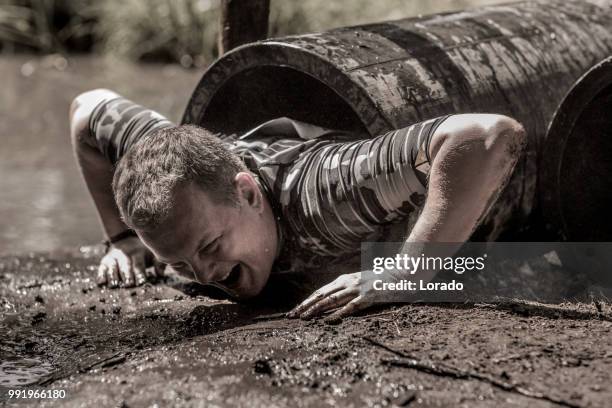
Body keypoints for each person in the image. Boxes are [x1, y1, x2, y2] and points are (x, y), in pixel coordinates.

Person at [70, 88, 526, 320]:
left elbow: (488, 135)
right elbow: (87, 108)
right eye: (182, 265)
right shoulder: (161, 157)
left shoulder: (325, 196)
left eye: (209, 246)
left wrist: (406, 273)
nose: (206, 276)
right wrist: (122, 239)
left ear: (248, 194)